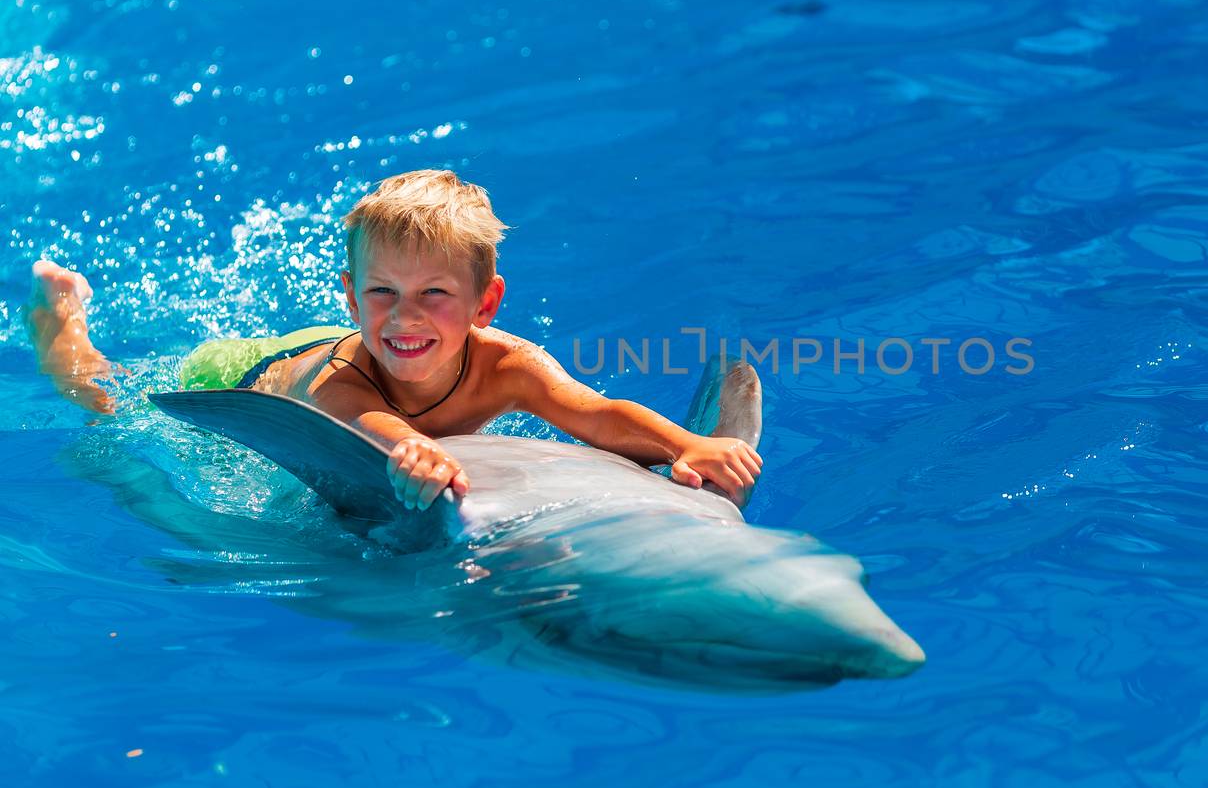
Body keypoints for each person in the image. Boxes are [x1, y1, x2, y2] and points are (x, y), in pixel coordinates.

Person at [25, 169, 762, 511]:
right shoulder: (346, 379)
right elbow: (364, 427)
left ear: (485, 303)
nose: (405, 318)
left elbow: (592, 412)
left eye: (434, 296)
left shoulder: (509, 365)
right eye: (382, 293)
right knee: (105, 401)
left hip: (338, 353)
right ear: (351, 297)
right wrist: (408, 449)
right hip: (260, 371)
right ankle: (59, 319)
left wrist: (681, 446)